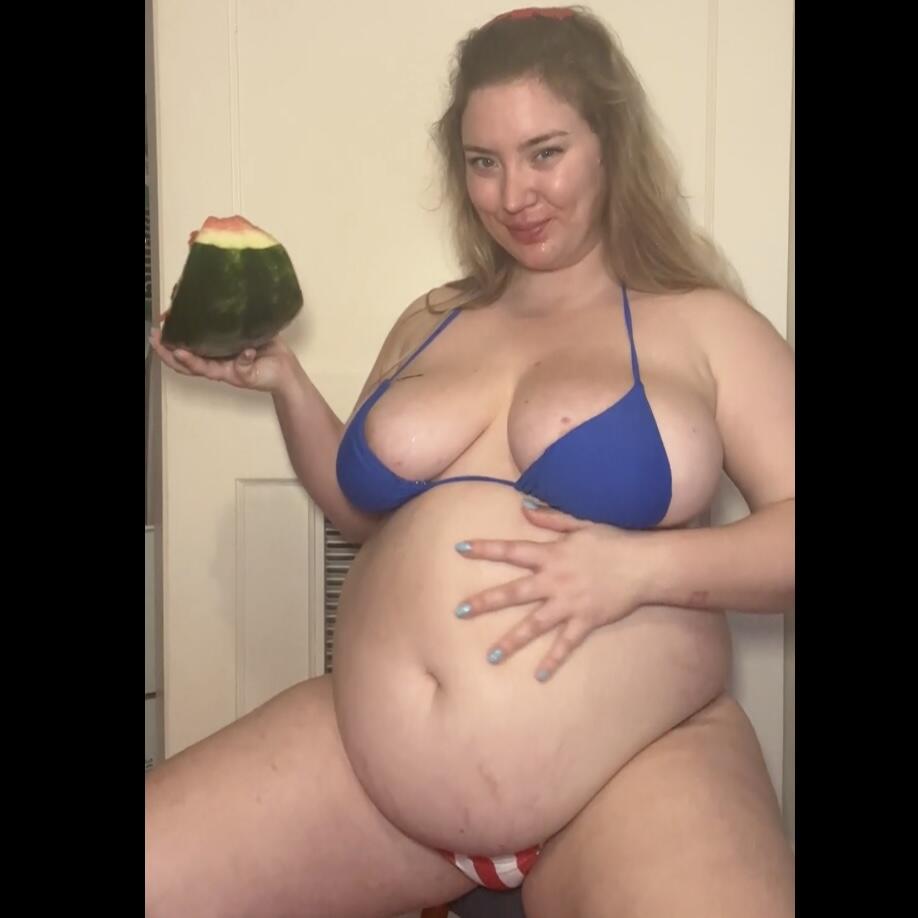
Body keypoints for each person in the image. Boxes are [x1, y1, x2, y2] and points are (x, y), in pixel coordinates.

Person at [146, 6, 795, 916]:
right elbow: (363, 515)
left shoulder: (704, 323)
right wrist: (284, 381)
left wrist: (637, 569)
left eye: (544, 152)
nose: (513, 194)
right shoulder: (432, 319)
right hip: (372, 775)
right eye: (484, 161)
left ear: (610, 144)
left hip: (636, 767)